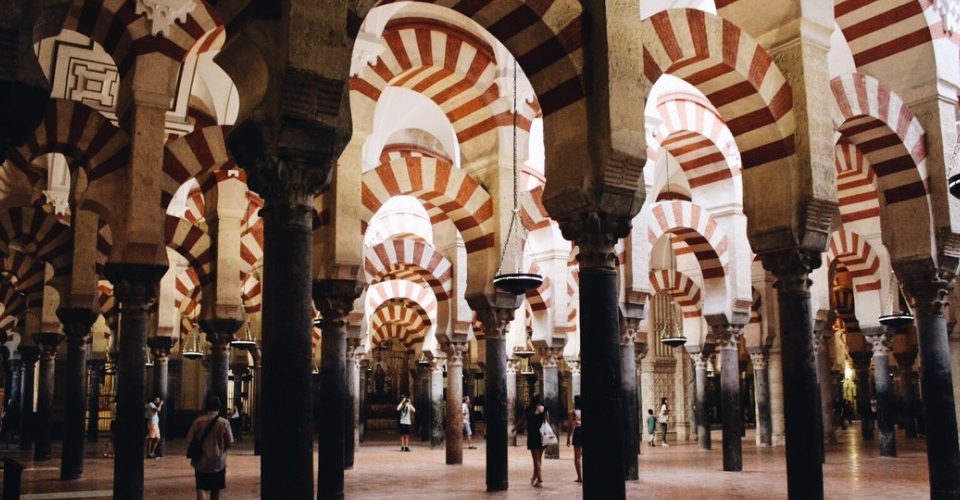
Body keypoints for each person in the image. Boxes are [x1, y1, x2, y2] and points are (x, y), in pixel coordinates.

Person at [186, 395, 234, 500]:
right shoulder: (224, 423)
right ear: (219, 407)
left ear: (206, 406)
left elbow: (189, 439)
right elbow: (230, 443)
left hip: (201, 461)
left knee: (201, 487)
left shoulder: (198, 421)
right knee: (215, 490)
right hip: (218, 462)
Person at [514, 400, 548, 487]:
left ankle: (539, 479)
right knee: (539, 459)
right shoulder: (543, 409)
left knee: (536, 460)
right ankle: (534, 477)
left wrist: (515, 428)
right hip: (542, 436)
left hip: (533, 436)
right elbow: (547, 420)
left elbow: (522, 421)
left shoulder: (528, 410)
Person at [566, 396, 583, 483]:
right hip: (586, 432)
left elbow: (570, 426)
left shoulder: (572, 412)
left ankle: (580, 477)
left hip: (578, 432)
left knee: (577, 457)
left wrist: (568, 438)